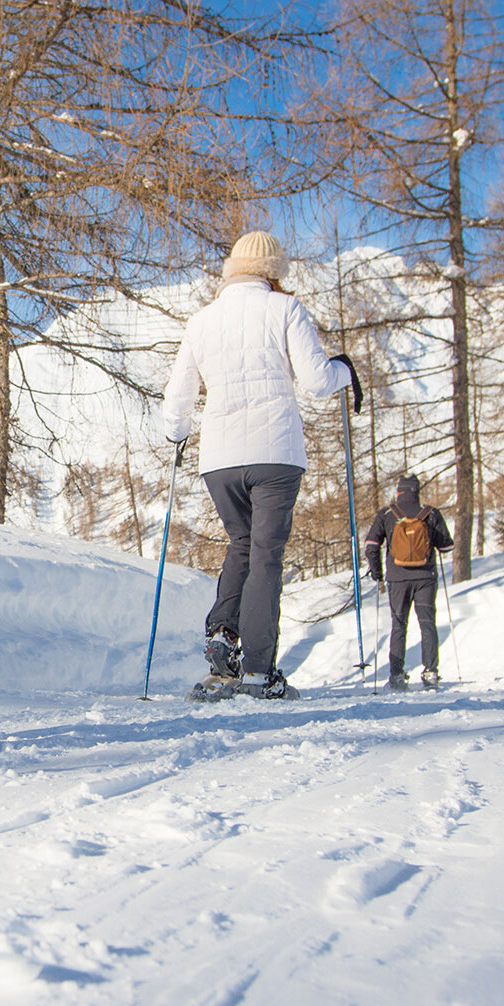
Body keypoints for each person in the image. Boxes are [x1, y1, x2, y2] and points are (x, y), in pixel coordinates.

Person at [162, 230, 361, 698]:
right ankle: (257, 670)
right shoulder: (285, 308)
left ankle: (222, 635)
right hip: (275, 454)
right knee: (266, 555)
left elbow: (178, 400)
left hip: (220, 458)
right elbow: (316, 381)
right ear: (273, 271)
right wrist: (344, 371)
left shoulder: (201, 322)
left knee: (242, 543)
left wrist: (176, 434)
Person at [364, 474, 454, 690]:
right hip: (425, 578)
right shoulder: (430, 514)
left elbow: (371, 546)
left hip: (398, 579)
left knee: (399, 625)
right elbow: (447, 547)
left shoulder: (388, 514)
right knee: (427, 624)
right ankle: (431, 672)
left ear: (398, 492)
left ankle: (396, 675)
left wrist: (378, 573)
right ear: (417, 491)